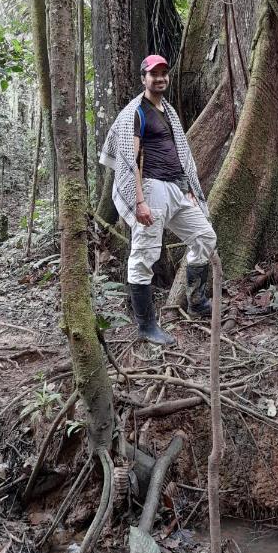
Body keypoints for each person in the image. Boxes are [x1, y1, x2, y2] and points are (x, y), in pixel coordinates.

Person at [100, 55, 216, 345]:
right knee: (144, 254)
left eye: (164, 73)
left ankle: (196, 301)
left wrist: (187, 185)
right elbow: (131, 160)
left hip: (176, 189)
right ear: (144, 78)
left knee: (205, 236)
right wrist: (139, 201)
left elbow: (178, 151)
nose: (160, 78)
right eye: (154, 74)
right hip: (151, 189)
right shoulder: (136, 112)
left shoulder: (167, 110)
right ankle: (146, 325)